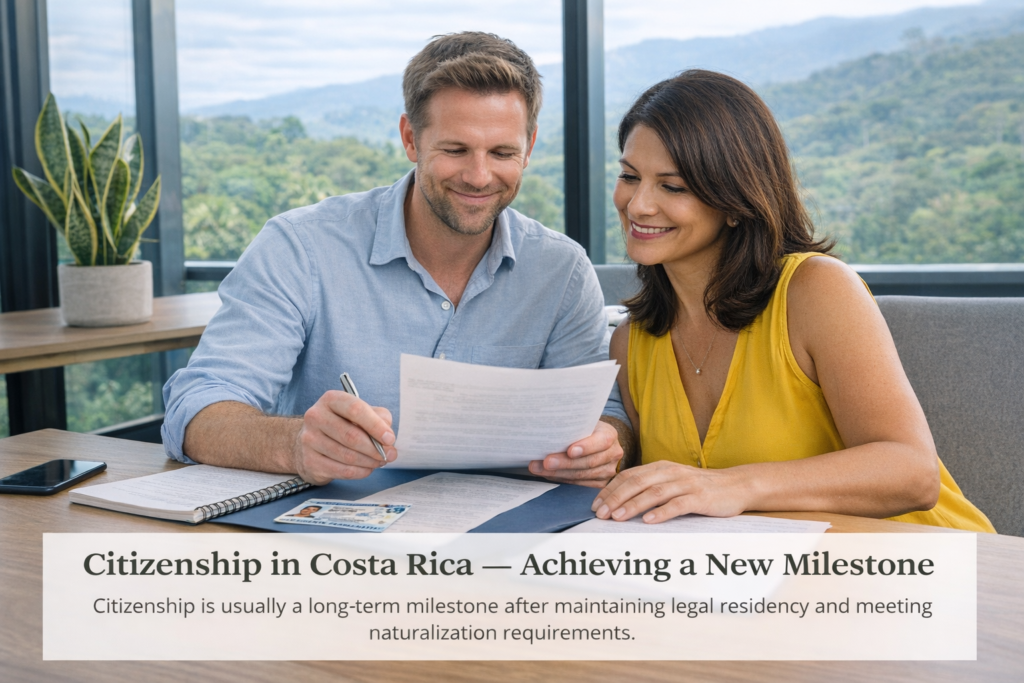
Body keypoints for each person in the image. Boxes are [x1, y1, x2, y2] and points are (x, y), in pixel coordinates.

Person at [162, 32, 630, 486]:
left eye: (502, 152)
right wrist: (295, 444)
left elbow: (607, 415)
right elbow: (197, 408)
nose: (479, 175)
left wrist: (606, 445)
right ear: (411, 138)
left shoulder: (561, 270)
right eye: (455, 149)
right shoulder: (300, 247)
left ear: (528, 149)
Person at [592, 70, 994, 532]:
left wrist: (734, 485)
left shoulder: (816, 290)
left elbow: (911, 473)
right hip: (760, 581)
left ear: (734, 198)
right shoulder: (631, 341)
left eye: (673, 186)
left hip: (922, 569)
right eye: (629, 176)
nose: (638, 204)